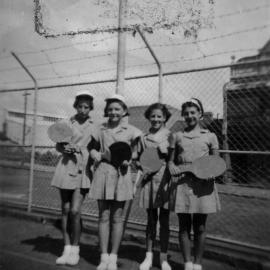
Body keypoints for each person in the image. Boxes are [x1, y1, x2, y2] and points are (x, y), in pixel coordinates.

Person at [89, 94, 142, 270]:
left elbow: (136, 153)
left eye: (117, 109)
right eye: (110, 109)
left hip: (122, 174)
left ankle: (113, 257)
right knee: (103, 216)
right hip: (103, 173)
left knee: (117, 217)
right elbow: (92, 148)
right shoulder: (100, 129)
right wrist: (95, 154)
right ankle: (103, 257)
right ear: (106, 111)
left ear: (124, 111)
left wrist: (129, 159)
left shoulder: (133, 131)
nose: (113, 112)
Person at [168, 98, 220, 270]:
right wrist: (173, 167)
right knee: (183, 227)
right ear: (183, 116)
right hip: (182, 184)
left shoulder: (210, 136)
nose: (189, 116)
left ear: (200, 114)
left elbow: (216, 162)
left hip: (203, 187)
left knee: (200, 227)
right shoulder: (177, 136)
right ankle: (187, 263)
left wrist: (211, 173)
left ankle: (197, 264)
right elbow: (170, 162)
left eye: (193, 113)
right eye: (186, 113)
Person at [51, 90, 97, 266]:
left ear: (90, 108)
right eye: (80, 106)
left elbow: (96, 148)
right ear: (76, 106)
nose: (83, 110)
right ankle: (66, 248)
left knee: (75, 211)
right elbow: (58, 146)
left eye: (86, 107)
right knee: (65, 209)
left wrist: (81, 150)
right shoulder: (67, 123)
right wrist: (65, 149)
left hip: (82, 169)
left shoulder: (95, 126)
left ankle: (76, 250)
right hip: (65, 167)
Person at [138, 103, 172, 270]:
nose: (156, 119)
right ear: (148, 117)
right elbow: (137, 159)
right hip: (149, 180)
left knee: (164, 220)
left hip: (165, 179)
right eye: (153, 116)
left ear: (165, 117)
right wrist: (142, 167)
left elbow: (175, 158)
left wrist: (167, 152)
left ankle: (164, 258)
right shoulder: (143, 138)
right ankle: (148, 257)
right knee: (151, 220)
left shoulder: (171, 135)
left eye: (159, 116)